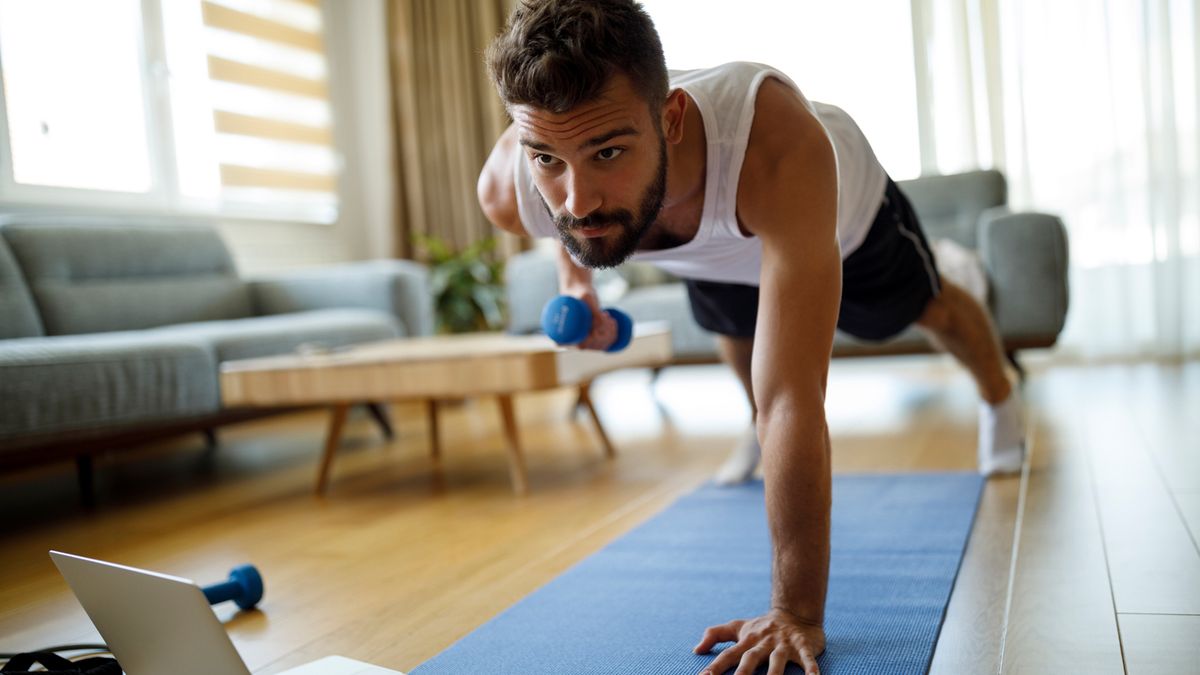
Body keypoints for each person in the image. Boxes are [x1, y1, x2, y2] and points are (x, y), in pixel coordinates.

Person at [476, 1, 1024, 672]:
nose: (578, 198)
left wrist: (796, 612)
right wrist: (577, 285)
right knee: (733, 328)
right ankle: (749, 422)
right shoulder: (516, 189)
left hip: (834, 217)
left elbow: (795, 398)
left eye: (608, 151)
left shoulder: (774, 144)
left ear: (670, 119)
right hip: (703, 241)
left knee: (920, 309)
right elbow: (562, 218)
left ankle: (1000, 395)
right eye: (547, 160)